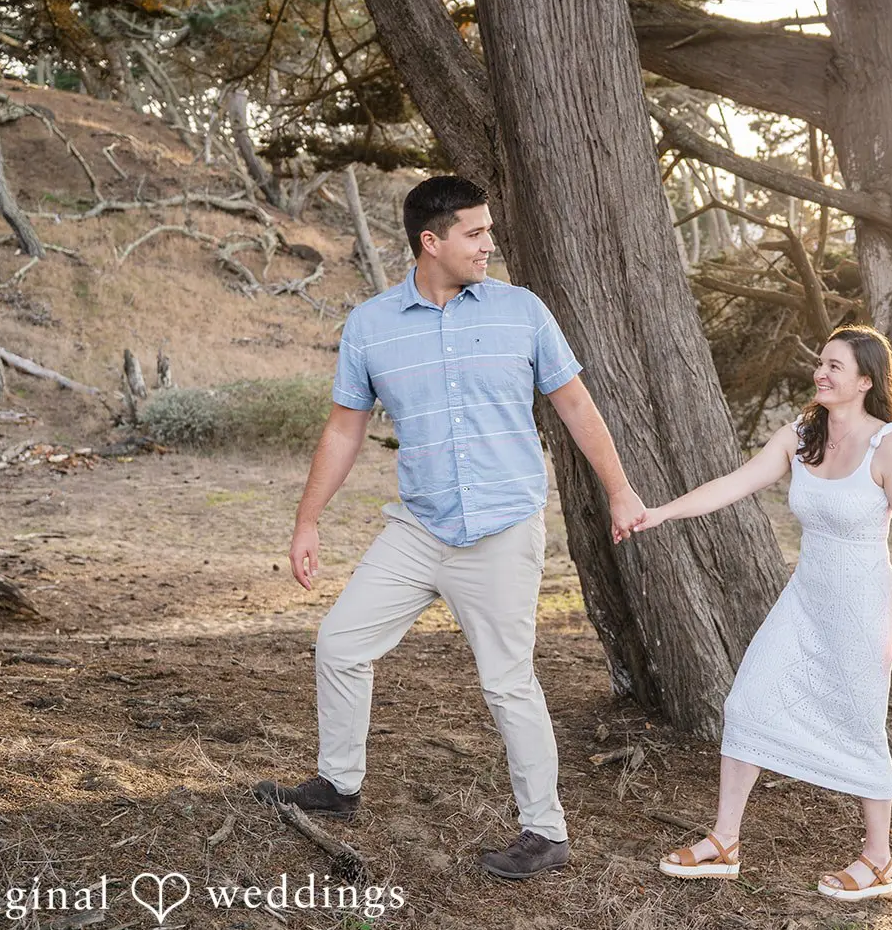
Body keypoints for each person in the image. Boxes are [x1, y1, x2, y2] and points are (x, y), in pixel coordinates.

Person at [254, 175, 646, 880]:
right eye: (475, 232)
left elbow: (577, 406)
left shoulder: (522, 311)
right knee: (339, 645)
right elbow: (344, 430)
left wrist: (620, 491)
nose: (489, 244)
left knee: (507, 682)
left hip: (501, 530)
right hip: (418, 528)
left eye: (489, 230)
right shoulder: (371, 325)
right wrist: (307, 520)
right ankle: (338, 784)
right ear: (430, 242)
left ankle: (545, 830)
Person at [633, 325, 892, 902]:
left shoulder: (891, 446)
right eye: (821, 363)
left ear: (866, 380)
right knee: (747, 701)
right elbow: (736, 482)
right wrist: (662, 512)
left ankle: (878, 859)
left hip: (863, 605)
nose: (821, 372)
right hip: (805, 598)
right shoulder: (801, 435)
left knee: (861, 723)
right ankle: (724, 842)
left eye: (835, 366)